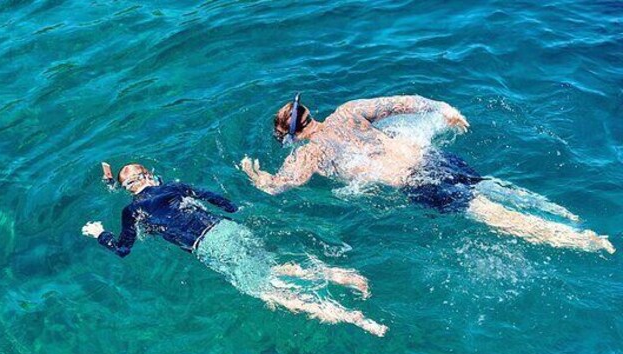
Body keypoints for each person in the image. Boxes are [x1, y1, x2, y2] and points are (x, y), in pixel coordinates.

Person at [240, 94, 615, 254]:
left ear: (290, 136)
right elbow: (403, 103)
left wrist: (255, 176)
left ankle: (580, 241)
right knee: (492, 187)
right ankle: (566, 215)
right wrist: (444, 109)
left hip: (415, 182)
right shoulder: (349, 111)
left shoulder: (310, 154)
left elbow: (279, 187)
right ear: (309, 112)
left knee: (489, 215)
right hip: (432, 157)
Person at [82, 162, 388, 336]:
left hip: (210, 247)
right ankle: (341, 276)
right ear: (149, 176)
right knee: (273, 268)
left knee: (270, 293)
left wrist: (99, 234)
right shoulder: (172, 187)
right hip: (228, 229)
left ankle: (352, 318)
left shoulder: (132, 211)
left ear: (128, 188)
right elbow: (213, 198)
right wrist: (235, 209)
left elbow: (123, 248)